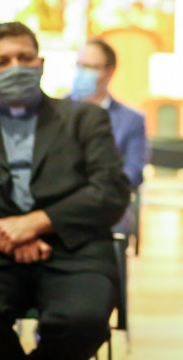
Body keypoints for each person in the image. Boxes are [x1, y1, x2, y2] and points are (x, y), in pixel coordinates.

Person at [0, 21, 131, 360]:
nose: (15, 67)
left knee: (82, 322)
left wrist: (37, 222)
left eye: (24, 57)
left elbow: (111, 191)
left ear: (40, 64)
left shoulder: (85, 119)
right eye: (1, 61)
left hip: (75, 252)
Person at [72, 38, 148, 235]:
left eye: (90, 67)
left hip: (106, 204)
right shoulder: (54, 112)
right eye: (79, 66)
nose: (82, 73)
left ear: (109, 71)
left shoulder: (131, 120)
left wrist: (95, 194)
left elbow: (133, 172)